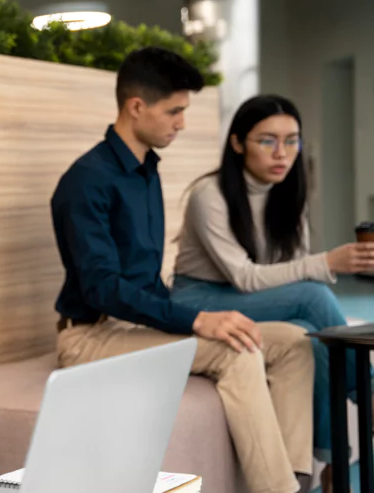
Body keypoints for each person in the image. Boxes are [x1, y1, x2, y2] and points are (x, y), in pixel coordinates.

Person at [50, 47, 315, 493]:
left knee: (293, 342)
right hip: (90, 336)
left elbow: (147, 280)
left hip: (138, 328)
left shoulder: (147, 170)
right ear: (137, 107)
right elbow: (102, 288)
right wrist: (196, 319)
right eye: (174, 111)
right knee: (237, 350)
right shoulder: (87, 180)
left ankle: (295, 479)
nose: (182, 123)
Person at [171, 94, 374, 492]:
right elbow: (245, 278)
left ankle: (325, 467)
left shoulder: (287, 192)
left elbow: (288, 272)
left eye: (292, 140)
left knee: (310, 339)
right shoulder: (208, 196)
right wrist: (329, 262)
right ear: (237, 143)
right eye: (267, 141)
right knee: (314, 298)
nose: (282, 153)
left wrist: (318, 267)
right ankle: (370, 396)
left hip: (254, 301)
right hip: (198, 300)